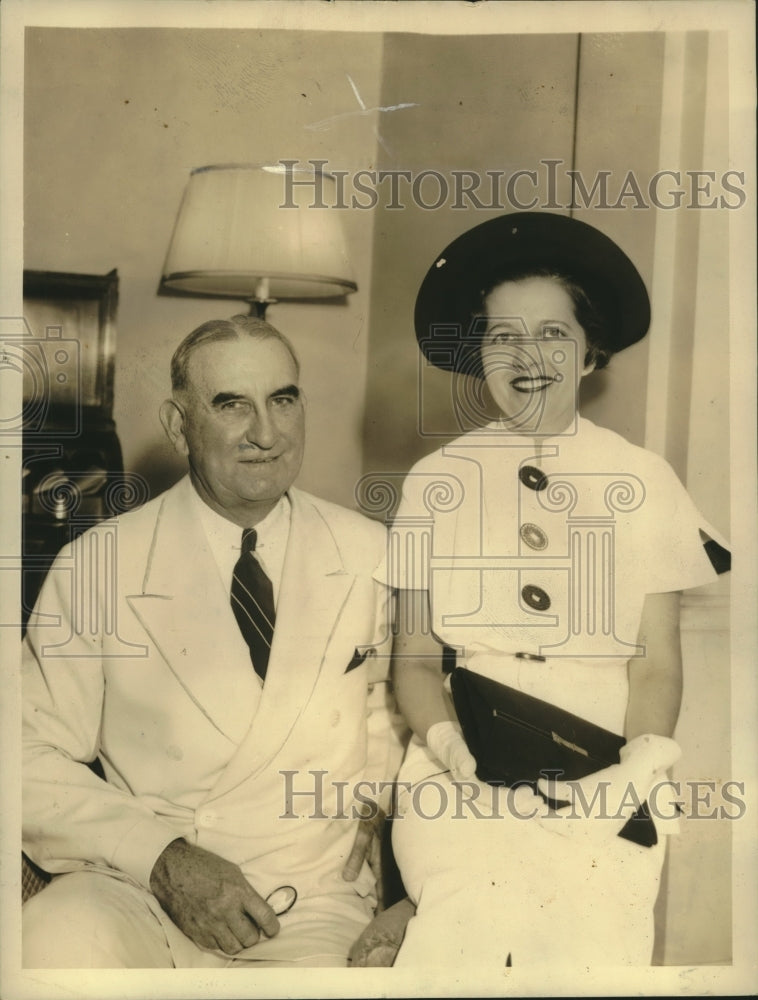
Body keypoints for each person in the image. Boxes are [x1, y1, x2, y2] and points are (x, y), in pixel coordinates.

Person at [377, 212, 731, 967]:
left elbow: (655, 663)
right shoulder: (435, 481)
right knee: (465, 947)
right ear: (479, 352)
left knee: (592, 953)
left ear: (589, 351)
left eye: (552, 334)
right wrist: (447, 749)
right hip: (462, 770)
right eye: (503, 335)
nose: (526, 357)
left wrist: (631, 771)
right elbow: (413, 658)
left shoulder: (643, 481)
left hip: (606, 765)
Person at [22, 315, 404, 968]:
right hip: (145, 886)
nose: (267, 433)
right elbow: (21, 753)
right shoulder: (99, 564)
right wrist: (163, 859)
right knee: (51, 943)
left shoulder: (370, 551)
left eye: (283, 400)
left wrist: (379, 794)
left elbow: (390, 708)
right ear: (179, 426)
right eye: (233, 405)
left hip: (310, 898)